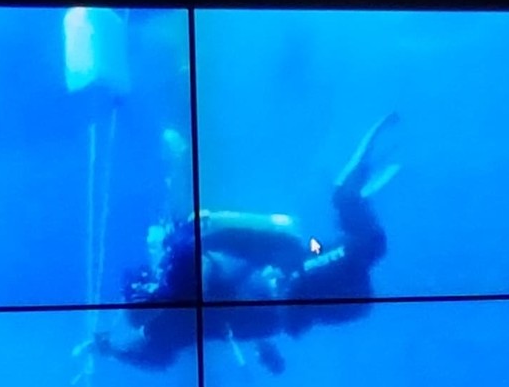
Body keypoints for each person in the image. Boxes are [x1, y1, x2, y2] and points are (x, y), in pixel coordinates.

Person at [82, 111, 402, 372]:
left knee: (314, 247)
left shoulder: (168, 324)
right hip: (288, 285)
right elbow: (218, 246)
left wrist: (111, 350)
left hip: (288, 289)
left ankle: (344, 207)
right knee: (324, 244)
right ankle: (346, 202)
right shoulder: (175, 298)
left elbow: (153, 356)